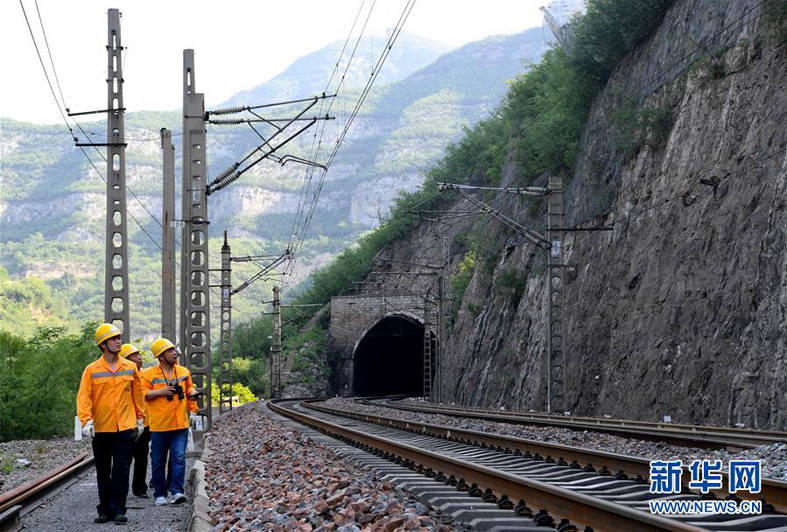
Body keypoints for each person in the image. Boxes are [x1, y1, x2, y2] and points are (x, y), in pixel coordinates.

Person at [77, 324, 145, 524]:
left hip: (124, 427)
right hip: (101, 428)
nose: (118, 341)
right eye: (113, 338)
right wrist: (86, 421)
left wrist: (140, 419)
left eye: (118, 338)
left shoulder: (130, 367)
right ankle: (104, 509)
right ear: (103, 344)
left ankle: (118, 510)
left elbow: (138, 396)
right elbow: (84, 397)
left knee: (122, 469)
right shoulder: (91, 370)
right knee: (103, 469)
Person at [141, 338, 199, 506]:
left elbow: (189, 389)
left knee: (179, 458)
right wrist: (161, 391)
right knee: (158, 461)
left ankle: (177, 492)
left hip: (180, 425)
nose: (174, 353)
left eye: (174, 350)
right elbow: (143, 394)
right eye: (170, 351)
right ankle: (159, 494)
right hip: (159, 426)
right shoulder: (149, 374)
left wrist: (193, 406)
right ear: (160, 356)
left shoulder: (183, 371)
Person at [119, 343, 150, 498]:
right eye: (135, 355)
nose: (139, 357)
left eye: (139, 354)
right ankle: (120, 490)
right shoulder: (121, 376)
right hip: (125, 423)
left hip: (142, 423)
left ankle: (139, 488)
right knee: (123, 460)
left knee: (142, 456)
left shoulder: (145, 374)